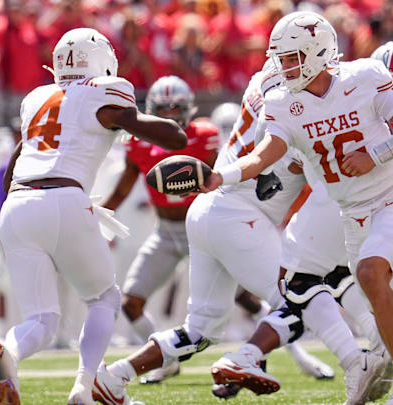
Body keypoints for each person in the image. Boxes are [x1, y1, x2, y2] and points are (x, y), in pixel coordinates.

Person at [202, 12, 393, 405]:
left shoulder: (362, 78)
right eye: (280, 59)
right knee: (381, 301)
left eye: (291, 57)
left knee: (370, 276)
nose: (284, 67)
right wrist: (223, 177)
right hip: (351, 212)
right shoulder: (283, 101)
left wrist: (375, 153)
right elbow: (265, 154)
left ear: (318, 52)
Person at [90, 59, 341, 405]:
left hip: (204, 215)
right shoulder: (291, 110)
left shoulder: (252, 99)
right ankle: (253, 359)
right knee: (300, 299)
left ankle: (114, 376)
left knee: (200, 329)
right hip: (230, 217)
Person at [0, 27, 188, 405]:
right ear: (100, 61)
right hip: (64, 196)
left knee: (42, 320)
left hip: (16, 204)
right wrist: (172, 132)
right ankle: (84, 387)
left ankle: (8, 352)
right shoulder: (103, 93)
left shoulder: (37, 97)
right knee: (104, 300)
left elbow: (16, 160)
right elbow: (164, 136)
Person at [102, 75, 219, 383]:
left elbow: (223, 182)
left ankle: (285, 356)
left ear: (188, 109)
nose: (169, 115)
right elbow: (123, 189)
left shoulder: (203, 135)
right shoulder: (139, 142)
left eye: (175, 108)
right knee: (131, 302)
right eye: (162, 110)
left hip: (202, 229)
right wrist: (96, 215)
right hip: (165, 231)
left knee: (244, 296)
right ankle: (165, 360)